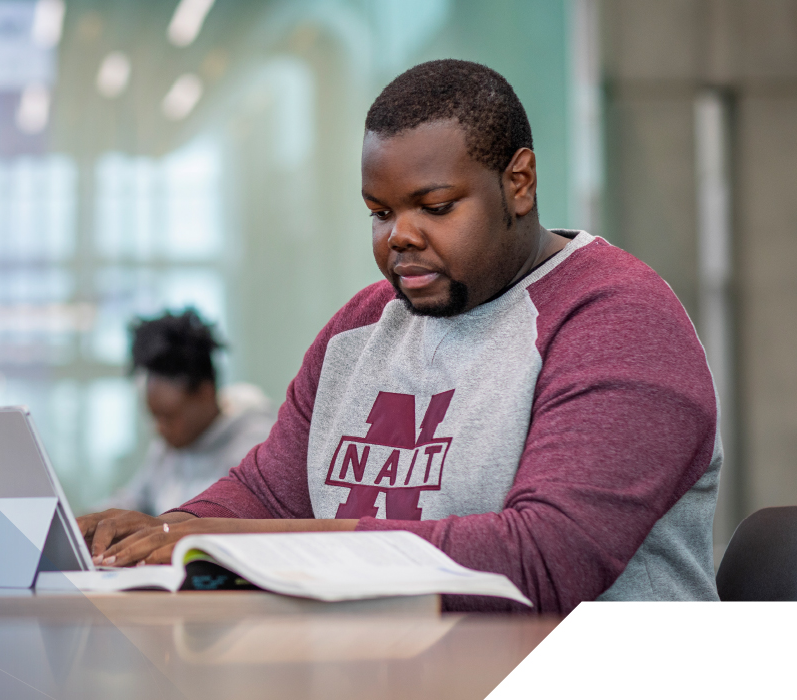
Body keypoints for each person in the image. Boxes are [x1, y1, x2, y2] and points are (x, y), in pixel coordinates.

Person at [77, 59, 721, 614]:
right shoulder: (361, 327)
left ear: (519, 184)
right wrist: (159, 533)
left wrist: (235, 543)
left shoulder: (616, 320)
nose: (400, 236)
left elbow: (546, 560)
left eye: (435, 207)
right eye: (380, 213)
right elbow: (270, 494)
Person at [100, 310, 275, 516]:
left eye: (169, 416)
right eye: (154, 416)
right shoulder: (169, 447)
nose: (159, 428)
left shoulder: (257, 448)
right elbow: (134, 499)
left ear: (205, 393)